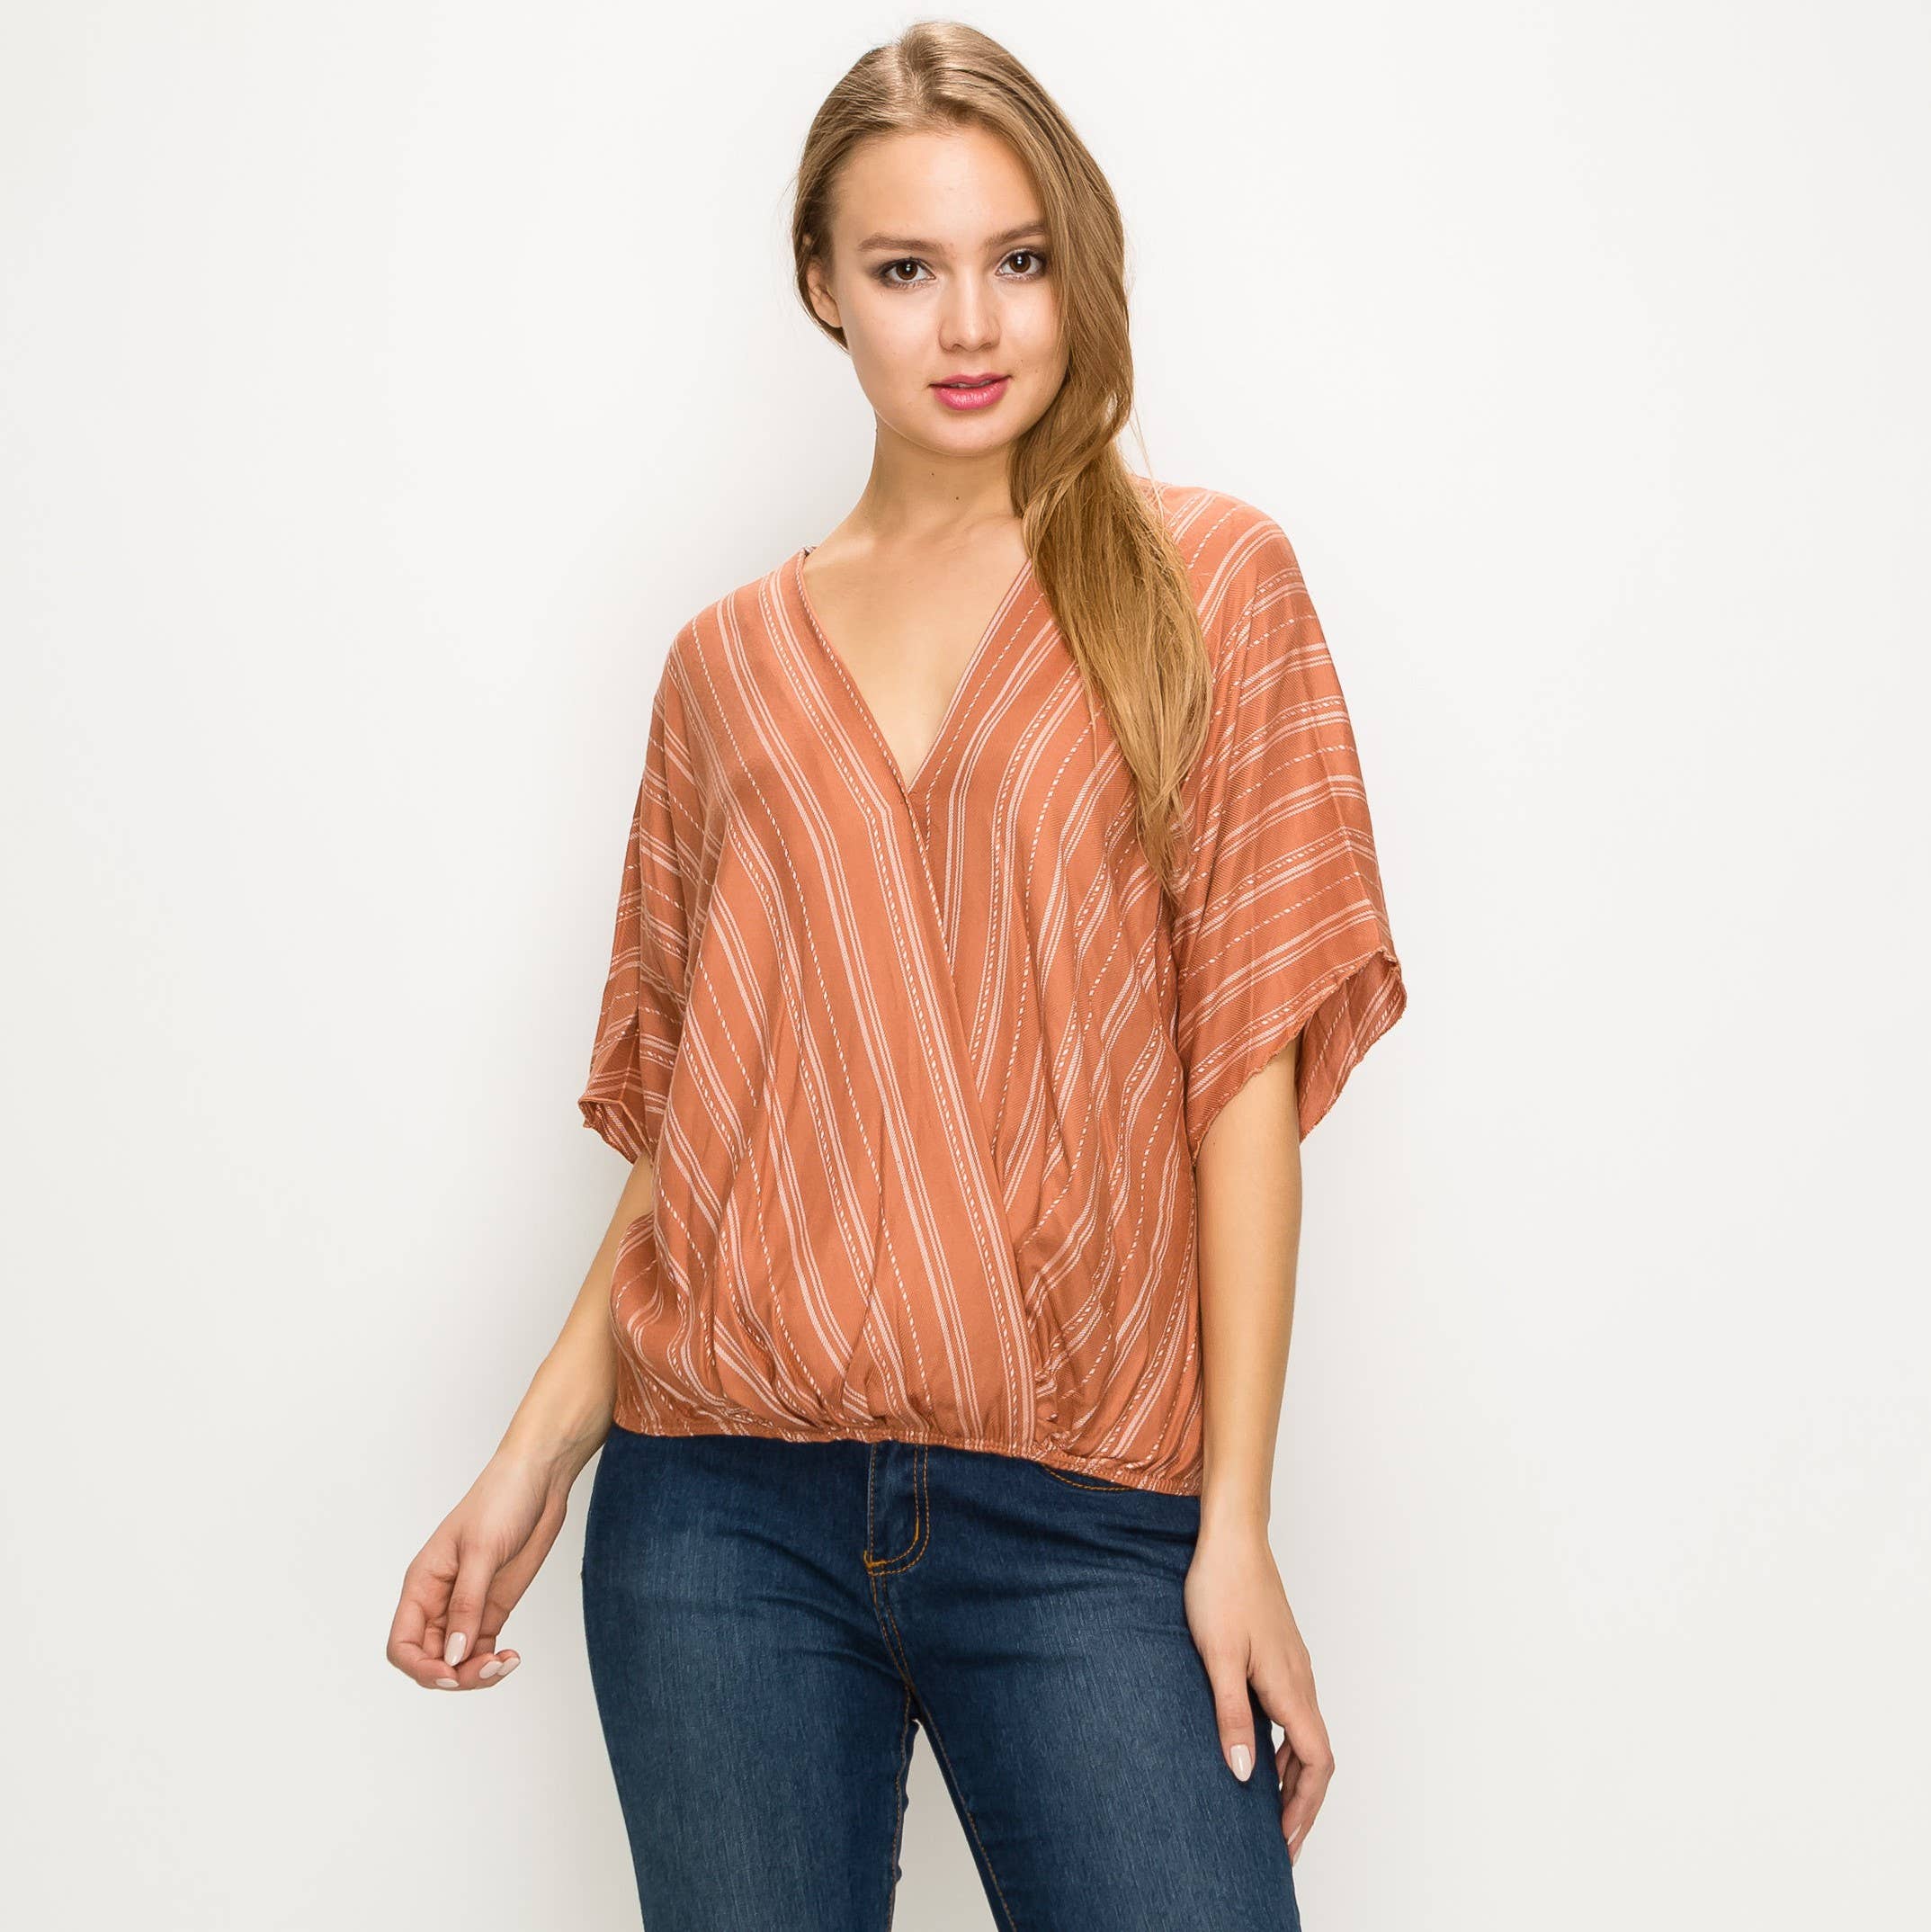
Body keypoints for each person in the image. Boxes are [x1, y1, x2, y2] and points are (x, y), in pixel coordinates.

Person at [387, 21, 1407, 1930]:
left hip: (1087, 1513)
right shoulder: (724, 668)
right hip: (718, 1520)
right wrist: (530, 1463)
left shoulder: (1205, 585)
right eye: (906, 267)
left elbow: (1244, 1076)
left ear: (1078, 266)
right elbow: (704, 1135)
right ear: (819, 286)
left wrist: (1236, 1529)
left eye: (1018, 259)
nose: (973, 324)